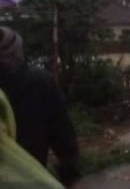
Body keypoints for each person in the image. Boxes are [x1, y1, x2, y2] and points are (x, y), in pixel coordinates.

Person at [0, 26, 79, 186]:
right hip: (33, 175)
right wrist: (68, 170)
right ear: (18, 52)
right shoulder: (41, 81)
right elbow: (62, 131)